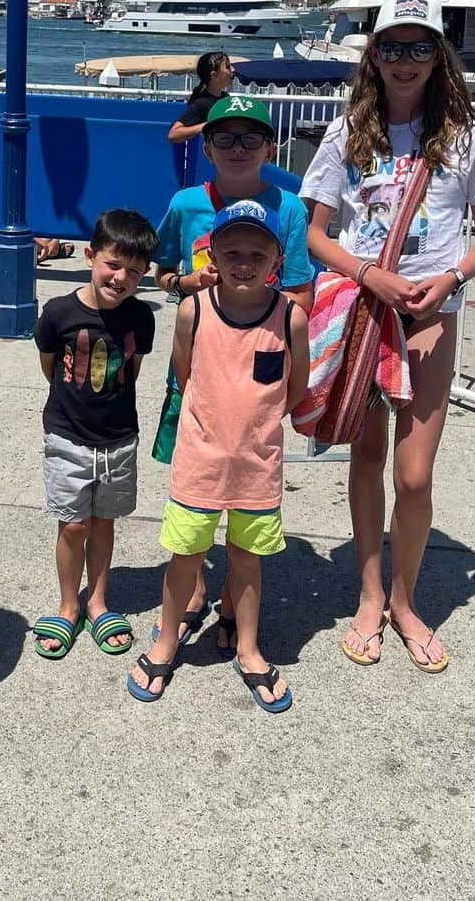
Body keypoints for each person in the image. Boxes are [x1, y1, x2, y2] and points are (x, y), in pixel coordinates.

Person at [300, 0, 475, 672]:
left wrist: (448, 279)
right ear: (373, 53)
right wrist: (369, 273)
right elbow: (314, 234)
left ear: (438, 55)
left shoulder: (468, 139)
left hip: (429, 318)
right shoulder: (345, 136)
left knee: (414, 477)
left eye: (419, 47)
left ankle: (405, 599)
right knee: (365, 460)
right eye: (392, 46)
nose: (404, 60)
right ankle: (369, 595)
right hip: (366, 314)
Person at [128, 201, 308, 709]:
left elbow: (297, 388)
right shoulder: (194, 309)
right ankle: (166, 639)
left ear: (277, 258)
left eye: (258, 252)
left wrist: (254, 426)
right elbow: (185, 376)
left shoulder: (290, 316)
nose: (243, 262)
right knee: (184, 557)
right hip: (200, 463)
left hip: (258, 466)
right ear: (212, 254)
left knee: (247, 561)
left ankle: (248, 646)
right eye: (231, 251)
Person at [151, 92, 314, 650]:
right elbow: (163, 271)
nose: (238, 148)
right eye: (225, 138)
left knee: (245, 488)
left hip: (257, 366)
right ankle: (192, 584)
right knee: (192, 482)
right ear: (207, 145)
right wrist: (184, 287)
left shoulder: (291, 208)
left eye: (251, 138)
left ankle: (230, 602)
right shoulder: (186, 202)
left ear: (270, 146)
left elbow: (299, 287)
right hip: (200, 363)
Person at [32, 209, 159, 659]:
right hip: (67, 436)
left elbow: (134, 370)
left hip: (119, 437)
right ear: (90, 255)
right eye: (113, 263)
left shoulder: (142, 317)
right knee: (73, 525)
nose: (121, 277)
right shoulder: (58, 313)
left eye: (135, 270)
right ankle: (69, 605)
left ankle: (99, 601)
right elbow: (50, 366)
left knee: (103, 522)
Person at [166, 51, 235, 144]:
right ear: (214, 75)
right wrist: (206, 126)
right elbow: (173, 135)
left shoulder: (226, 98)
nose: (233, 69)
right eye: (228, 67)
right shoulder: (201, 104)